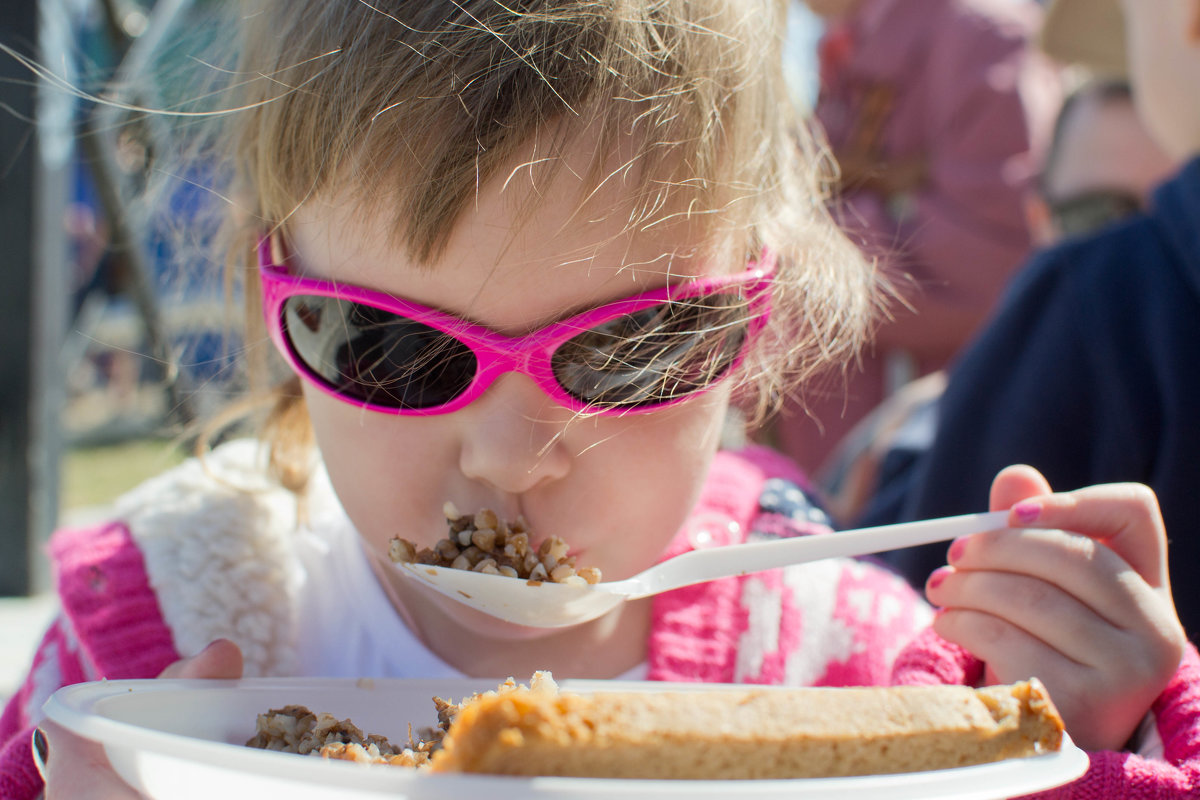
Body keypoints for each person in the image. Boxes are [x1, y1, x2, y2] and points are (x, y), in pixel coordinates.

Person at [0, 2, 1196, 797]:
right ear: (275, 297)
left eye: (632, 349)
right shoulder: (151, 643)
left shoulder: (865, 687)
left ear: (763, 318)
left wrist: (1066, 751)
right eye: (393, 347)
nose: (514, 461)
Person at [859, 0, 1200, 644]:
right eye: (1097, 214)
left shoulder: (1098, 297)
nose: (1125, 239)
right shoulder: (906, 431)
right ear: (1038, 215)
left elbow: (909, 639)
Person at [770, 0, 1061, 475]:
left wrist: (795, 240)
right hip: (843, 471)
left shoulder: (982, 35)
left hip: (947, 466)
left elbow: (997, 265)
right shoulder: (848, 43)